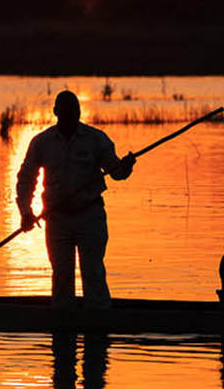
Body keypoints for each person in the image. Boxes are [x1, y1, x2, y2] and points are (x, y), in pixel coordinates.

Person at [17, 91, 135, 310]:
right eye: (66, 112)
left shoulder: (96, 139)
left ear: (79, 113)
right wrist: (26, 212)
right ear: (56, 113)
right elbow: (26, 180)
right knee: (61, 276)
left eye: (75, 112)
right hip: (57, 219)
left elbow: (116, 172)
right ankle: (63, 324)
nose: (71, 116)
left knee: (93, 273)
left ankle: (98, 322)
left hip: (90, 217)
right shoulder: (41, 142)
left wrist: (125, 167)